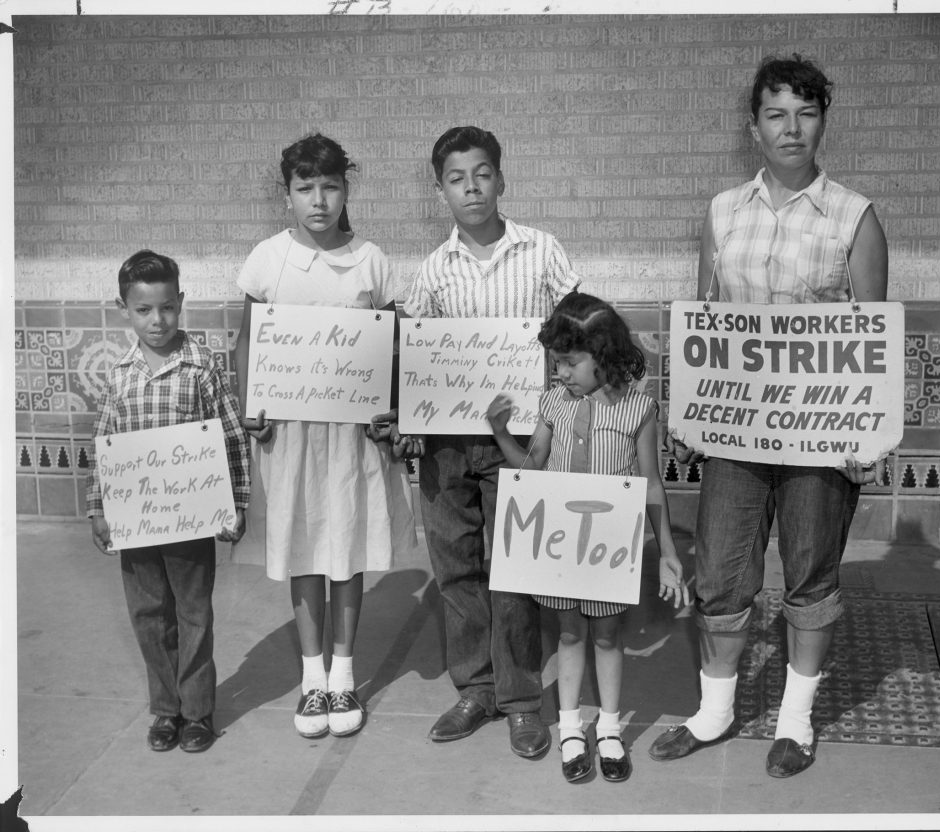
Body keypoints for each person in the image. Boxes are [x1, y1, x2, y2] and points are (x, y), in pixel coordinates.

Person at [649, 54, 889, 778]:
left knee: (811, 574)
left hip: (820, 439)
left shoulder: (856, 216)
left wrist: (864, 437)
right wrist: (689, 416)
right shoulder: (722, 212)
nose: (792, 128)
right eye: (776, 114)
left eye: (806, 113)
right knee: (721, 572)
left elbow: (871, 337)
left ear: (823, 122)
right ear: (754, 128)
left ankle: (795, 721)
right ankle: (715, 712)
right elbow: (705, 323)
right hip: (737, 435)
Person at [403, 125, 581, 759]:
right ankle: (474, 689)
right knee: (457, 568)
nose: (471, 187)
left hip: (521, 439)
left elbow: (576, 330)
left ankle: (522, 701)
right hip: (450, 441)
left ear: (501, 179)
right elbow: (413, 352)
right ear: (441, 191)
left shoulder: (543, 251)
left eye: (482, 173)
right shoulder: (432, 270)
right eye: (456, 178)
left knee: (514, 569)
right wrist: (406, 418)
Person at [233, 133, 417, 740]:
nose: (319, 201)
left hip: (352, 437)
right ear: (287, 194)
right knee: (306, 548)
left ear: (346, 189)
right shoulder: (267, 259)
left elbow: (394, 346)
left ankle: (344, 672)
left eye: (330, 187)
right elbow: (248, 343)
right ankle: (312, 679)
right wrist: (249, 407)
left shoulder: (371, 259)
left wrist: (393, 410)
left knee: (346, 550)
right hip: (290, 435)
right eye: (305, 188)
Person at [486, 291, 686, 783]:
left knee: (609, 635)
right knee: (571, 632)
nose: (560, 374)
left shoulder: (638, 410)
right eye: (555, 364)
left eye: (569, 363)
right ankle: (572, 725)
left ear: (603, 356)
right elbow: (532, 468)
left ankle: (611, 728)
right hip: (561, 552)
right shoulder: (552, 402)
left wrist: (668, 554)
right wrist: (499, 432)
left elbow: (651, 484)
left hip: (608, 551)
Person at [87, 249, 250, 754]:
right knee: (149, 613)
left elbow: (231, 436)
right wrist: (99, 507)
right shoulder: (119, 373)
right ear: (123, 309)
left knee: (194, 611)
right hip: (137, 524)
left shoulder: (201, 366)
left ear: (181, 303)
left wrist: (236, 502)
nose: (156, 321)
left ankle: (198, 712)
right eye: (143, 310)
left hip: (191, 519)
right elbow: (106, 441)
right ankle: (165, 709)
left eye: (166, 308)